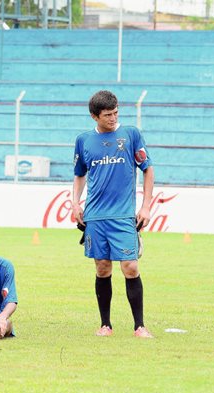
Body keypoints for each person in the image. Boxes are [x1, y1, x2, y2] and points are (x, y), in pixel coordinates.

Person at [72, 90, 155, 338]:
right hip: (95, 217)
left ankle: (139, 326)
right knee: (102, 268)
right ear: (94, 116)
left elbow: (148, 170)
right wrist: (75, 203)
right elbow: (79, 174)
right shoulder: (83, 140)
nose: (113, 118)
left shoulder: (130, 135)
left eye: (116, 112)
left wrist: (146, 205)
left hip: (123, 216)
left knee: (130, 267)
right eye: (108, 115)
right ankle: (105, 325)